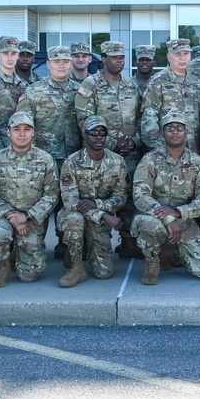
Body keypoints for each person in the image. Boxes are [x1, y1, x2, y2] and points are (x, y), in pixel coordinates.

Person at [131, 113, 200, 285]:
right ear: (163, 133)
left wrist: (179, 212)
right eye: (170, 128)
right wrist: (168, 218)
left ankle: (171, 251)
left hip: (182, 218)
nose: (175, 132)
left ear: (187, 132)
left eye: (179, 128)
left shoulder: (198, 163)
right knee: (150, 226)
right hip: (154, 215)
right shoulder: (150, 160)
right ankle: (152, 264)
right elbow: (140, 195)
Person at [74, 40, 142, 258]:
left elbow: (142, 117)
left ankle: (129, 240)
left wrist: (136, 140)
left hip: (130, 153)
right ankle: (87, 243)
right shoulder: (89, 86)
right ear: (103, 59)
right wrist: (111, 143)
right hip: (101, 154)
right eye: (114, 57)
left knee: (128, 197)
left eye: (121, 57)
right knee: (97, 196)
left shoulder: (132, 86)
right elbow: (83, 120)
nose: (118, 61)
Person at [0, 111, 59, 287]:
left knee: (29, 276)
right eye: (17, 129)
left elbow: (52, 194)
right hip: (3, 216)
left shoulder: (45, 159)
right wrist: (11, 215)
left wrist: (27, 216)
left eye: (27, 129)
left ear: (33, 132)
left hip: (32, 219)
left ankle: (21, 251)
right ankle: (3, 266)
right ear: (8, 132)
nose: (22, 133)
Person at [57, 116, 131, 287]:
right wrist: (104, 215)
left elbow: (121, 196)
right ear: (84, 135)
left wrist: (97, 205)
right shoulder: (72, 162)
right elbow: (70, 201)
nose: (98, 137)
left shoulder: (117, 162)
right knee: (74, 219)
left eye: (102, 133)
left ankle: (85, 247)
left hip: (98, 219)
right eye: (93, 133)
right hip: (75, 215)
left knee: (104, 273)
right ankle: (76, 266)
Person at [16, 45, 82, 165]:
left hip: (75, 158)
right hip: (43, 159)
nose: (61, 66)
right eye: (56, 62)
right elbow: (22, 124)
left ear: (71, 63)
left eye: (66, 61)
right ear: (48, 64)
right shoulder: (33, 91)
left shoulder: (80, 91)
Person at [139, 38, 200, 153]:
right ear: (169, 57)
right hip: (166, 152)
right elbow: (149, 120)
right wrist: (160, 149)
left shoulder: (196, 82)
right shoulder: (158, 82)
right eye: (178, 54)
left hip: (194, 152)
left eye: (186, 54)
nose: (183, 58)